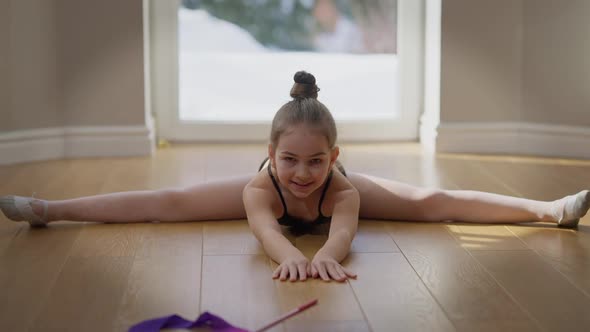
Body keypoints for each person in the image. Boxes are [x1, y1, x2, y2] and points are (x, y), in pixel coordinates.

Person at [1, 71, 589, 283]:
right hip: (270, 208)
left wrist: (329, 256)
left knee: (435, 201)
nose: (303, 173)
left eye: (315, 161)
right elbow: (264, 230)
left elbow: (344, 233)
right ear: (271, 155)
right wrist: (287, 255)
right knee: (169, 199)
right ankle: (49, 208)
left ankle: (549, 209)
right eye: (290, 160)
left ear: (334, 158)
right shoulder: (262, 186)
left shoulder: (343, 187)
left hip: (341, 201)